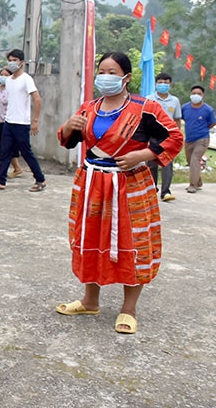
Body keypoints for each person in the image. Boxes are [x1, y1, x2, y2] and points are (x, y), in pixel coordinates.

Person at [55, 52, 182, 334]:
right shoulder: (89, 108)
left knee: (133, 242)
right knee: (88, 238)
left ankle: (129, 308)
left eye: (112, 72)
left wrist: (144, 154)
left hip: (130, 185)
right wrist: (67, 126)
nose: (106, 76)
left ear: (126, 77)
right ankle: (90, 300)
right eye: (102, 70)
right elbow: (68, 140)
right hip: (92, 185)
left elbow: (174, 137)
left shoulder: (145, 108)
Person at [0, 49, 47, 192]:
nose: (12, 63)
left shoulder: (26, 79)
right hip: (9, 122)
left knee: (26, 152)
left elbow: (37, 99)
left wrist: (35, 120)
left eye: (15, 60)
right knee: (4, 152)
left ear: (21, 62)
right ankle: (0, 182)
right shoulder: (9, 81)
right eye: (10, 60)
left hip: (21, 123)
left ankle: (40, 179)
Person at [146, 72, 182, 201]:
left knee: (167, 164)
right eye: (160, 82)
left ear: (170, 85)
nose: (163, 85)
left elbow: (177, 119)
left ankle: (165, 191)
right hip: (152, 135)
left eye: (166, 83)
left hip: (168, 136)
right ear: (156, 84)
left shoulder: (175, 101)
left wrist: (177, 136)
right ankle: (152, 188)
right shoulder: (149, 99)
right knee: (151, 164)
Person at [0, 67, 23, 181]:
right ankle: (17, 168)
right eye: (1, 74)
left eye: (6, 75)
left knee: (3, 148)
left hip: (7, 122)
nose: (3, 77)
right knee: (1, 146)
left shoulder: (12, 90)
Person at [180, 85, 216, 194]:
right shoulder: (185, 107)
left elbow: (212, 122)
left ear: (203, 95)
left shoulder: (208, 110)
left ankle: (193, 185)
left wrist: (203, 129)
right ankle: (198, 181)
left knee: (195, 159)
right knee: (190, 161)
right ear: (190, 95)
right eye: (194, 93)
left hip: (202, 139)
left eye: (199, 94)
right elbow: (181, 119)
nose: (196, 95)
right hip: (189, 139)